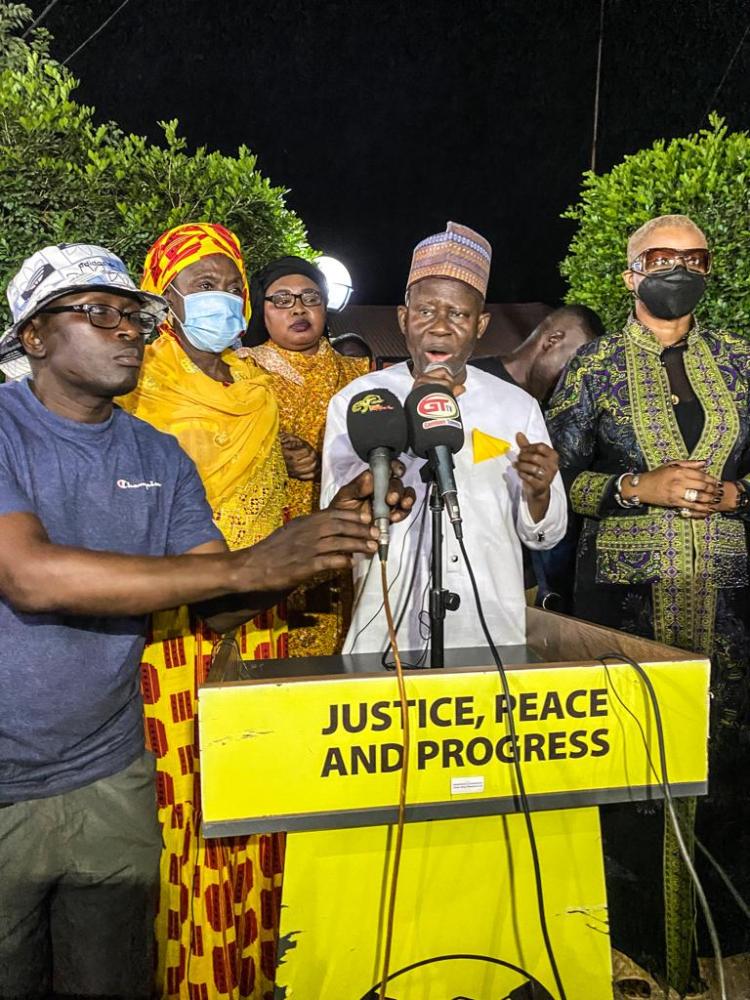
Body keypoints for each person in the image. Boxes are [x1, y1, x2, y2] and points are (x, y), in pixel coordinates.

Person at [0, 242, 410, 1000]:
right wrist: (248, 565)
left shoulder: (159, 454)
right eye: (99, 313)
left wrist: (324, 536)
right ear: (34, 336)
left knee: (110, 976)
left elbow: (221, 607)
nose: (127, 330)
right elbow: (27, 575)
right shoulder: (5, 430)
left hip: (108, 769)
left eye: (136, 317)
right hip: (7, 778)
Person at [547, 214, 750, 994]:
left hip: (732, 603)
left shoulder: (738, 362)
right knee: (634, 769)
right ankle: (637, 949)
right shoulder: (593, 367)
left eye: (694, 258)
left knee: (725, 764)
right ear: (631, 275)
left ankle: (722, 944)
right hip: (627, 606)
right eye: (660, 258)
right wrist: (638, 486)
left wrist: (736, 492)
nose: (679, 269)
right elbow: (551, 488)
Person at [321, 221, 567, 655]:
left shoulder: (517, 407)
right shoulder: (357, 401)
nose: (440, 327)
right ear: (403, 318)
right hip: (386, 629)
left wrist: (539, 493)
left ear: (480, 325)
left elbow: (544, 536)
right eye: (426, 311)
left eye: (458, 314)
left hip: (488, 629)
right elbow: (334, 517)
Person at [243, 256, 369, 657]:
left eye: (309, 297)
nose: (298, 308)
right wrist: (275, 455)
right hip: (272, 536)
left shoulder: (361, 374)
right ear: (261, 310)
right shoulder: (240, 373)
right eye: (281, 299)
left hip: (348, 532)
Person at [470, 303, 604, 401]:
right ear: (552, 341)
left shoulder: (545, 419)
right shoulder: (469, 379)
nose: (573, 382)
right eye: (574, 366)